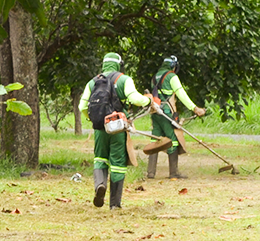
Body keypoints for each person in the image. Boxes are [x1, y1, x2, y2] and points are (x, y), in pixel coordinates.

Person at [78, 51, 157, 209]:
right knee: (117, 164)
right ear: (119, 64)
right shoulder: (124, 79)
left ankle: (100, 185)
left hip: (100, 128)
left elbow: (82, 106)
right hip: (118, 128)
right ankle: (114, 204)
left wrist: (93, 118)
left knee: (100, 159)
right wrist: (149, 100)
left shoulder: (93, 82)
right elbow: (134, 98)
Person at [146, 55, 206, 179]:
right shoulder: (171, 77)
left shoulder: (155, 77)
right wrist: (194, 108)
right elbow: (181, 93)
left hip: (155, 112)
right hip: (166, 113)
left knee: (155, 139)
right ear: (174, 66)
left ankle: (151, 173)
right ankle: (173, 172)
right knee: (173, 139)